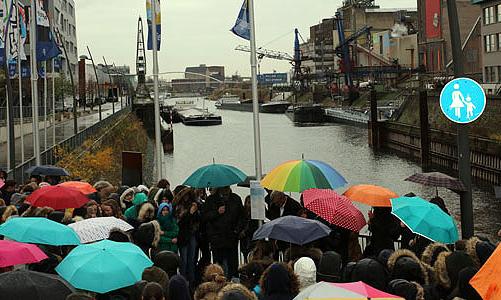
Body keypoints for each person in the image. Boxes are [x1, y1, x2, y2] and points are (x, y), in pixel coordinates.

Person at [203, 186, 245, 279]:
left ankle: (233, 281)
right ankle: (219, 281)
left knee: (232, 263)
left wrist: (237, 230)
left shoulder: (235, 198)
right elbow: (205, 217)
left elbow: (242, 216)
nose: (226, 189)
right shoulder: (211, 200)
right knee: (219, 264)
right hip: (217, 238)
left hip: (231, 237)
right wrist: (217, 212)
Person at [174, 187, 201, 286]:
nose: (186, 197)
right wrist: (190, 213)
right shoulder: (179, 207)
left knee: (192, 258)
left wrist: (196, 212)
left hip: (192, 234)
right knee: (184, 259)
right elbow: (180, 222)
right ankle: (183, 280)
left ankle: (192, 280)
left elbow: (198, 220)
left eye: (188, 195)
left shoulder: (193, 205)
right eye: (185, 196)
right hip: (183, 235)